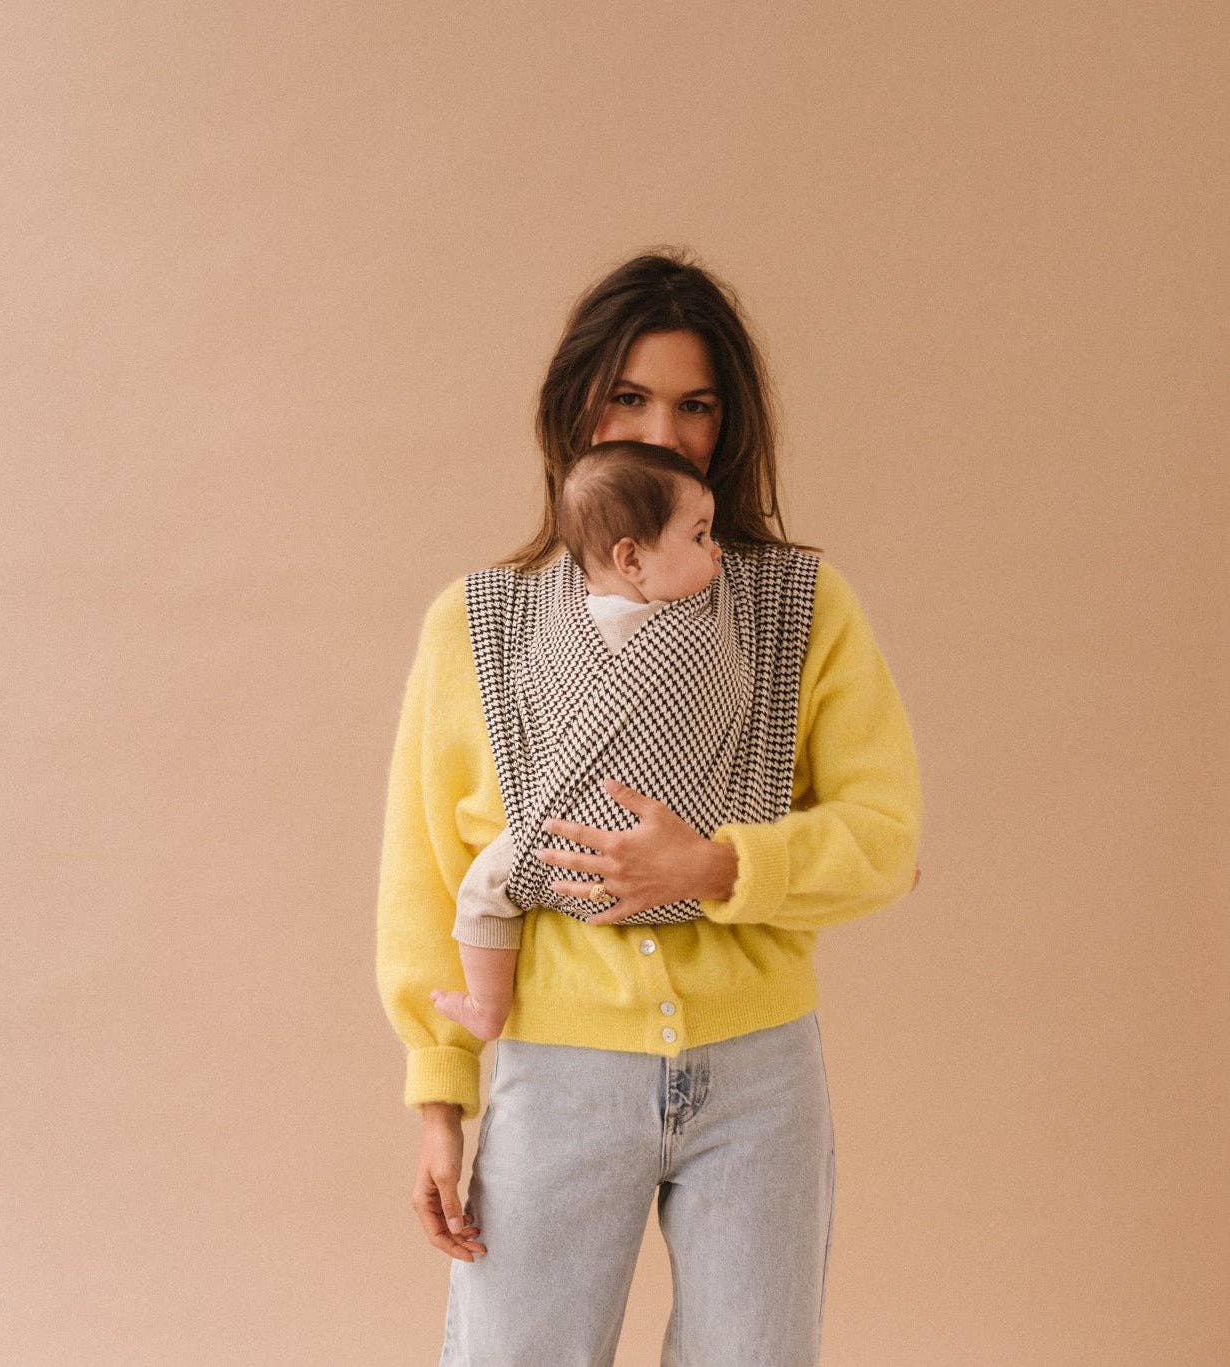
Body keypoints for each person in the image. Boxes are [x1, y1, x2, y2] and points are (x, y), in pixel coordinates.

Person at [375, 249, 924, 1365]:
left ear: (731, 424)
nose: (661, 432)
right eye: (628, 396)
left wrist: (715, 867)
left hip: (758, 1079)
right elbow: (425, 876)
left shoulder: (801, 606)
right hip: (557, 1071)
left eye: (695, 405)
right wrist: (438, 1096)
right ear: (574, 403)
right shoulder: (477, 623)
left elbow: (885, 839)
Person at [431, 439, 725, 1042]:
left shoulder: (707, 627)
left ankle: (488, 1004)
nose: (717, 551)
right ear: (631, 558)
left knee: (486, 891)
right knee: (481, 887)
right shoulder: (546, 626)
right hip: (567, 829)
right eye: (699, 537)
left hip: (670, 839)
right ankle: (488, 1006)